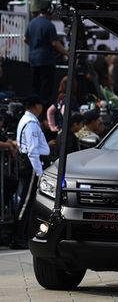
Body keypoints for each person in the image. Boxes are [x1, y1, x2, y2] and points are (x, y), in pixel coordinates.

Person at [14, 95, 49, 249]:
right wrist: (39, 172)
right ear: (36, 106)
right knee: (26, 202)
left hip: (31, 164)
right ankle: (18, 236)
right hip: (32, 165)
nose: (42, 108)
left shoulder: (27, 120)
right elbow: (33, 151)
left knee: (28, 202)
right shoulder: (31, 123)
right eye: (41, 105)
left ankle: (23, 234)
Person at [24, 2, 67, 106]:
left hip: (33, 60)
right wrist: (68, 53)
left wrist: (35, 45)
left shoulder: (32, 23)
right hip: (46, 61)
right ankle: (43, 114)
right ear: (50, 11)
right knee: (45, 90)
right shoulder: (49, 25)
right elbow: (55, 43)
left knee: (35, 87)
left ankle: (33, 108)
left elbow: (25, 39)